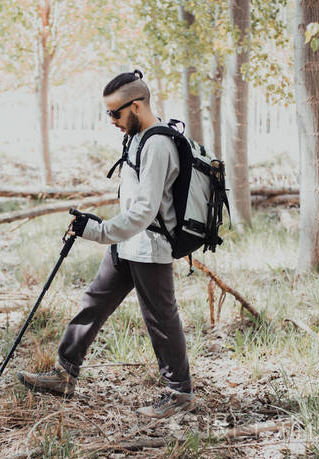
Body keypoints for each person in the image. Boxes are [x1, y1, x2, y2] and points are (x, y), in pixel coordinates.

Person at [17, 69, 194, 418]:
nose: (111, 120)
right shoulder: (137, 137)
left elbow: (144, 212)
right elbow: (133, 203)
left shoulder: (157, 144)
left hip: (148, 248)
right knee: (94, 303)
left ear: (138, 105)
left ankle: (179, 394)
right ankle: (64, 374)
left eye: (115, 112)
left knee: (160, 318)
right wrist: (100, 225)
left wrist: (97, 231)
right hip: (127, 245)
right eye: (107, 112)